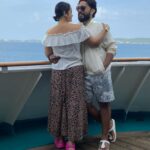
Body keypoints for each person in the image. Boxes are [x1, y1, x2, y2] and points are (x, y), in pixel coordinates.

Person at [42, 1, 109, 150]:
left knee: (57, 104)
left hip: (58, 71)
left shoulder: (49, 32)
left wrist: (54, 57)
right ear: (65, 13)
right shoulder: (78, 28)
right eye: (71, 11)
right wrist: (105, 30)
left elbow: (49, 54)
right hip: (74, 70)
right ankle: (71, 142)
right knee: (74, 105)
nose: (73, 14)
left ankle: (58, 139)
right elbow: (94, 43)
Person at [76, 0, 117, 150]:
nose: (79, 10)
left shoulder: (100, 26)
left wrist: (103, 66)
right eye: (77, 8)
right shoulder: (77, 29)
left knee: (104, 104)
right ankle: (109, 124)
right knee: (85, 104)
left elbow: (112, 47)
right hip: (84, 74)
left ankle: (104, 138)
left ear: (92, 10)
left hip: (100, 73)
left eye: (82, 8)